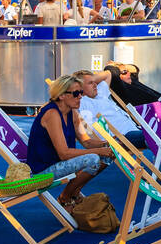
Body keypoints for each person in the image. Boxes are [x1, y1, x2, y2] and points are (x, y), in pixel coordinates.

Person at [27, 75, 113, 214]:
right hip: (43, 170)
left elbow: (86, 141)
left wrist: (109, 144)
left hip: (59, 163)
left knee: (108, 155)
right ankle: (65, 197)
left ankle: (74, 191)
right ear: (61, 96)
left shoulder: (72, 112)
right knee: (93, 159)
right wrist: (99, 151)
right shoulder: (52, 114)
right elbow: (64, 153)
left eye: (81, 92)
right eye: (76, 93)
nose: (80, 97)